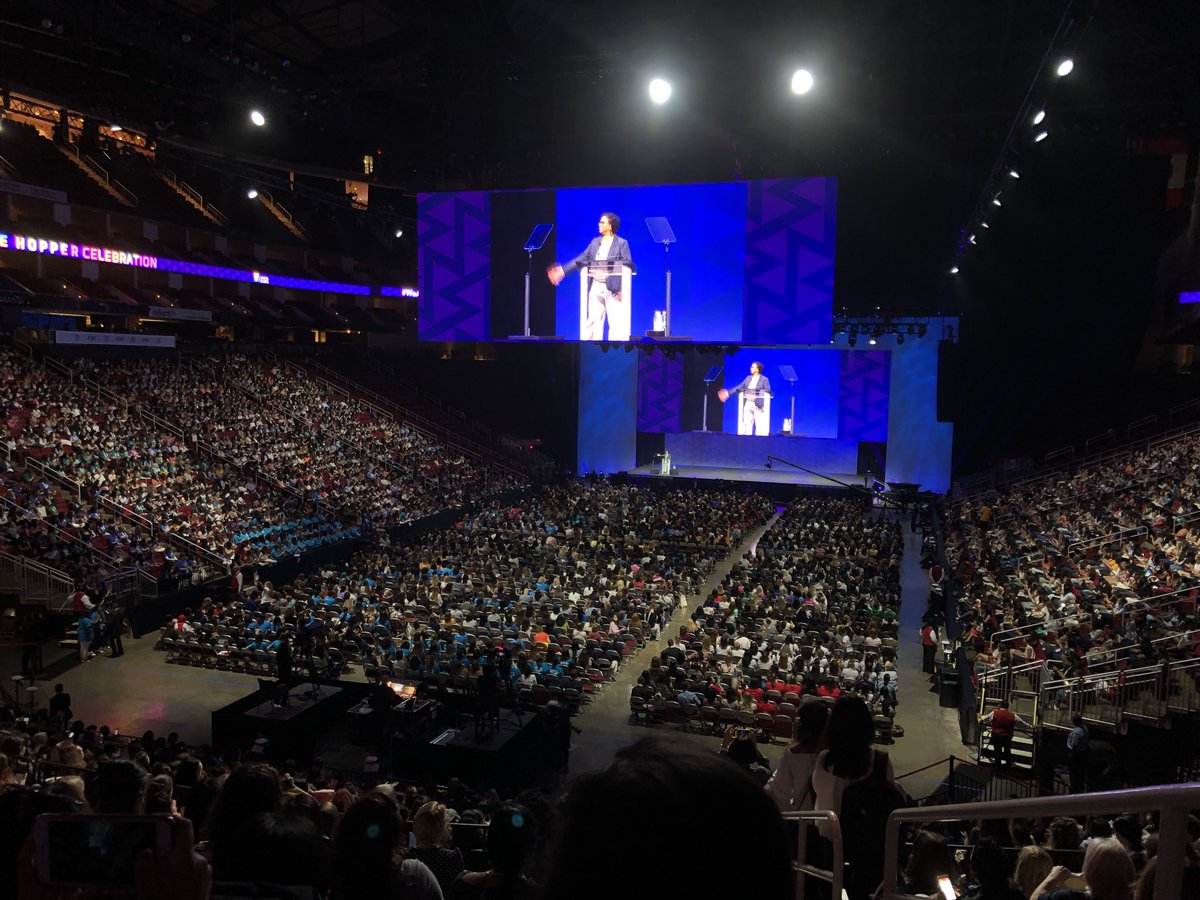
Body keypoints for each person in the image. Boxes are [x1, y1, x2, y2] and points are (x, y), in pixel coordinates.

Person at [547, 212, 636, 341]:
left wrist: (622, 288)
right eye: (600, 222)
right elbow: (582, 258)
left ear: (610, 226)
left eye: (602, 222)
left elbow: (627, 264)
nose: (599, 224)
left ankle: (616, 351)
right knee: (594, 322)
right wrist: (562, 271)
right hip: (596, 286)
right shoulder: (595, 242)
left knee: (616, 324)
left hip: (613, 289)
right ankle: (591, 350)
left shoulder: (621, 243)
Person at [766, 700, 829, 810]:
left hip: (801, 814)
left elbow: (780, 791)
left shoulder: (793, 752)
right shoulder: (831, 753)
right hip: (826, 814)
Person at [1032, 836, 1135, 900]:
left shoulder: (1072, 897)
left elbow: (1034, 898)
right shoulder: (1138, 895)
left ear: (1091, 870)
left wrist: (1052, 877)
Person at [718, 361, 773, 435]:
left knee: (760, 426)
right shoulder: (748, 378)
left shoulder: (764, 379)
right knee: (746, 425)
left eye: (753, 367)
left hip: (758, 405)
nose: (751, 368)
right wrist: (728, 393)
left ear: (757, 369)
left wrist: (756, 396)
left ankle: (760, 441)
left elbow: (767, 391)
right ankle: (746, 440)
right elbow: (739, 387)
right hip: (748, 403)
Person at [979, 700, 1032, 768]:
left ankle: (998, 767)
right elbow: (1022, 724)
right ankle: (1008, 766)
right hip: (1007, 736)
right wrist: (1030, 727)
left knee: (997, 752)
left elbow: (985, 719)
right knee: (1007, 751)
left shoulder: (995, 713)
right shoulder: (1013, 715)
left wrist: (981, 717)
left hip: (996, 736)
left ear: (1000, 705)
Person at [1067, 714, 1089, 793]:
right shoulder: (1084, 728)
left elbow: (1075, 745)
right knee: (1080, 773)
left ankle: (1074, 790)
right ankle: (1080, 788)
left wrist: (1072, 754)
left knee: (1074, 774)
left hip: (1076, 755)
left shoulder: (1076, 732)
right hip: (1083, 753)